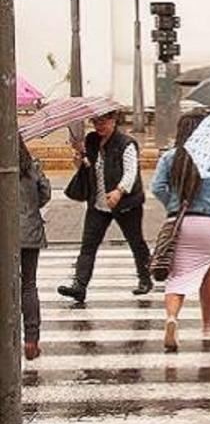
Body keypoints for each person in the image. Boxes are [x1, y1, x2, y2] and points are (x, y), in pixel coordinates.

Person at [151, 112, 210, 352]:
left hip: (181, 222)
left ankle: (171, 318)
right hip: (209, 223)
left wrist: (173, 205)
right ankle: (208, 323)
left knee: (176, 275)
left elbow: (157, 186)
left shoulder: (170, 157)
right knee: (209, 274)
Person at [58, 111, 153, 303]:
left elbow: (130, 172)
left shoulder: (126, 143)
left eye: (103, 122)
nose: (99, 126)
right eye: (95, 122)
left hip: (125, 203)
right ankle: (80, 286)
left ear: (113, 121)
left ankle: (145, 278)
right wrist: (79, 154)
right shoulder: (92, 140)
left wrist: (119, 191)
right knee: (88, 245)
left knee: (136, 241)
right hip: (98, 203)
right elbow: (88, 166)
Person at [18, 136, 50, 361]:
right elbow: (45, 195)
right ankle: (31, 340)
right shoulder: (32, 166)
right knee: (29, 285)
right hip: (29, 232)